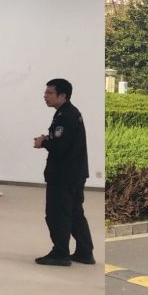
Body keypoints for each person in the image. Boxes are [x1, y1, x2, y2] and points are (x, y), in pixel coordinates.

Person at [34, 76, 92, 265]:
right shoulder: (68, 113)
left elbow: (60, 147)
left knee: (57, 213)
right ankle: (85, 252)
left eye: (50, 92)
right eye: (45, 92)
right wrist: (48, 139)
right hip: (74, 173)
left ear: (63, 96)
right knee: (74, 213)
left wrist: (43, 142)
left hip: (63, 175)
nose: (45, 96)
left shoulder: (65, 116)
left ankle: (60, 253)